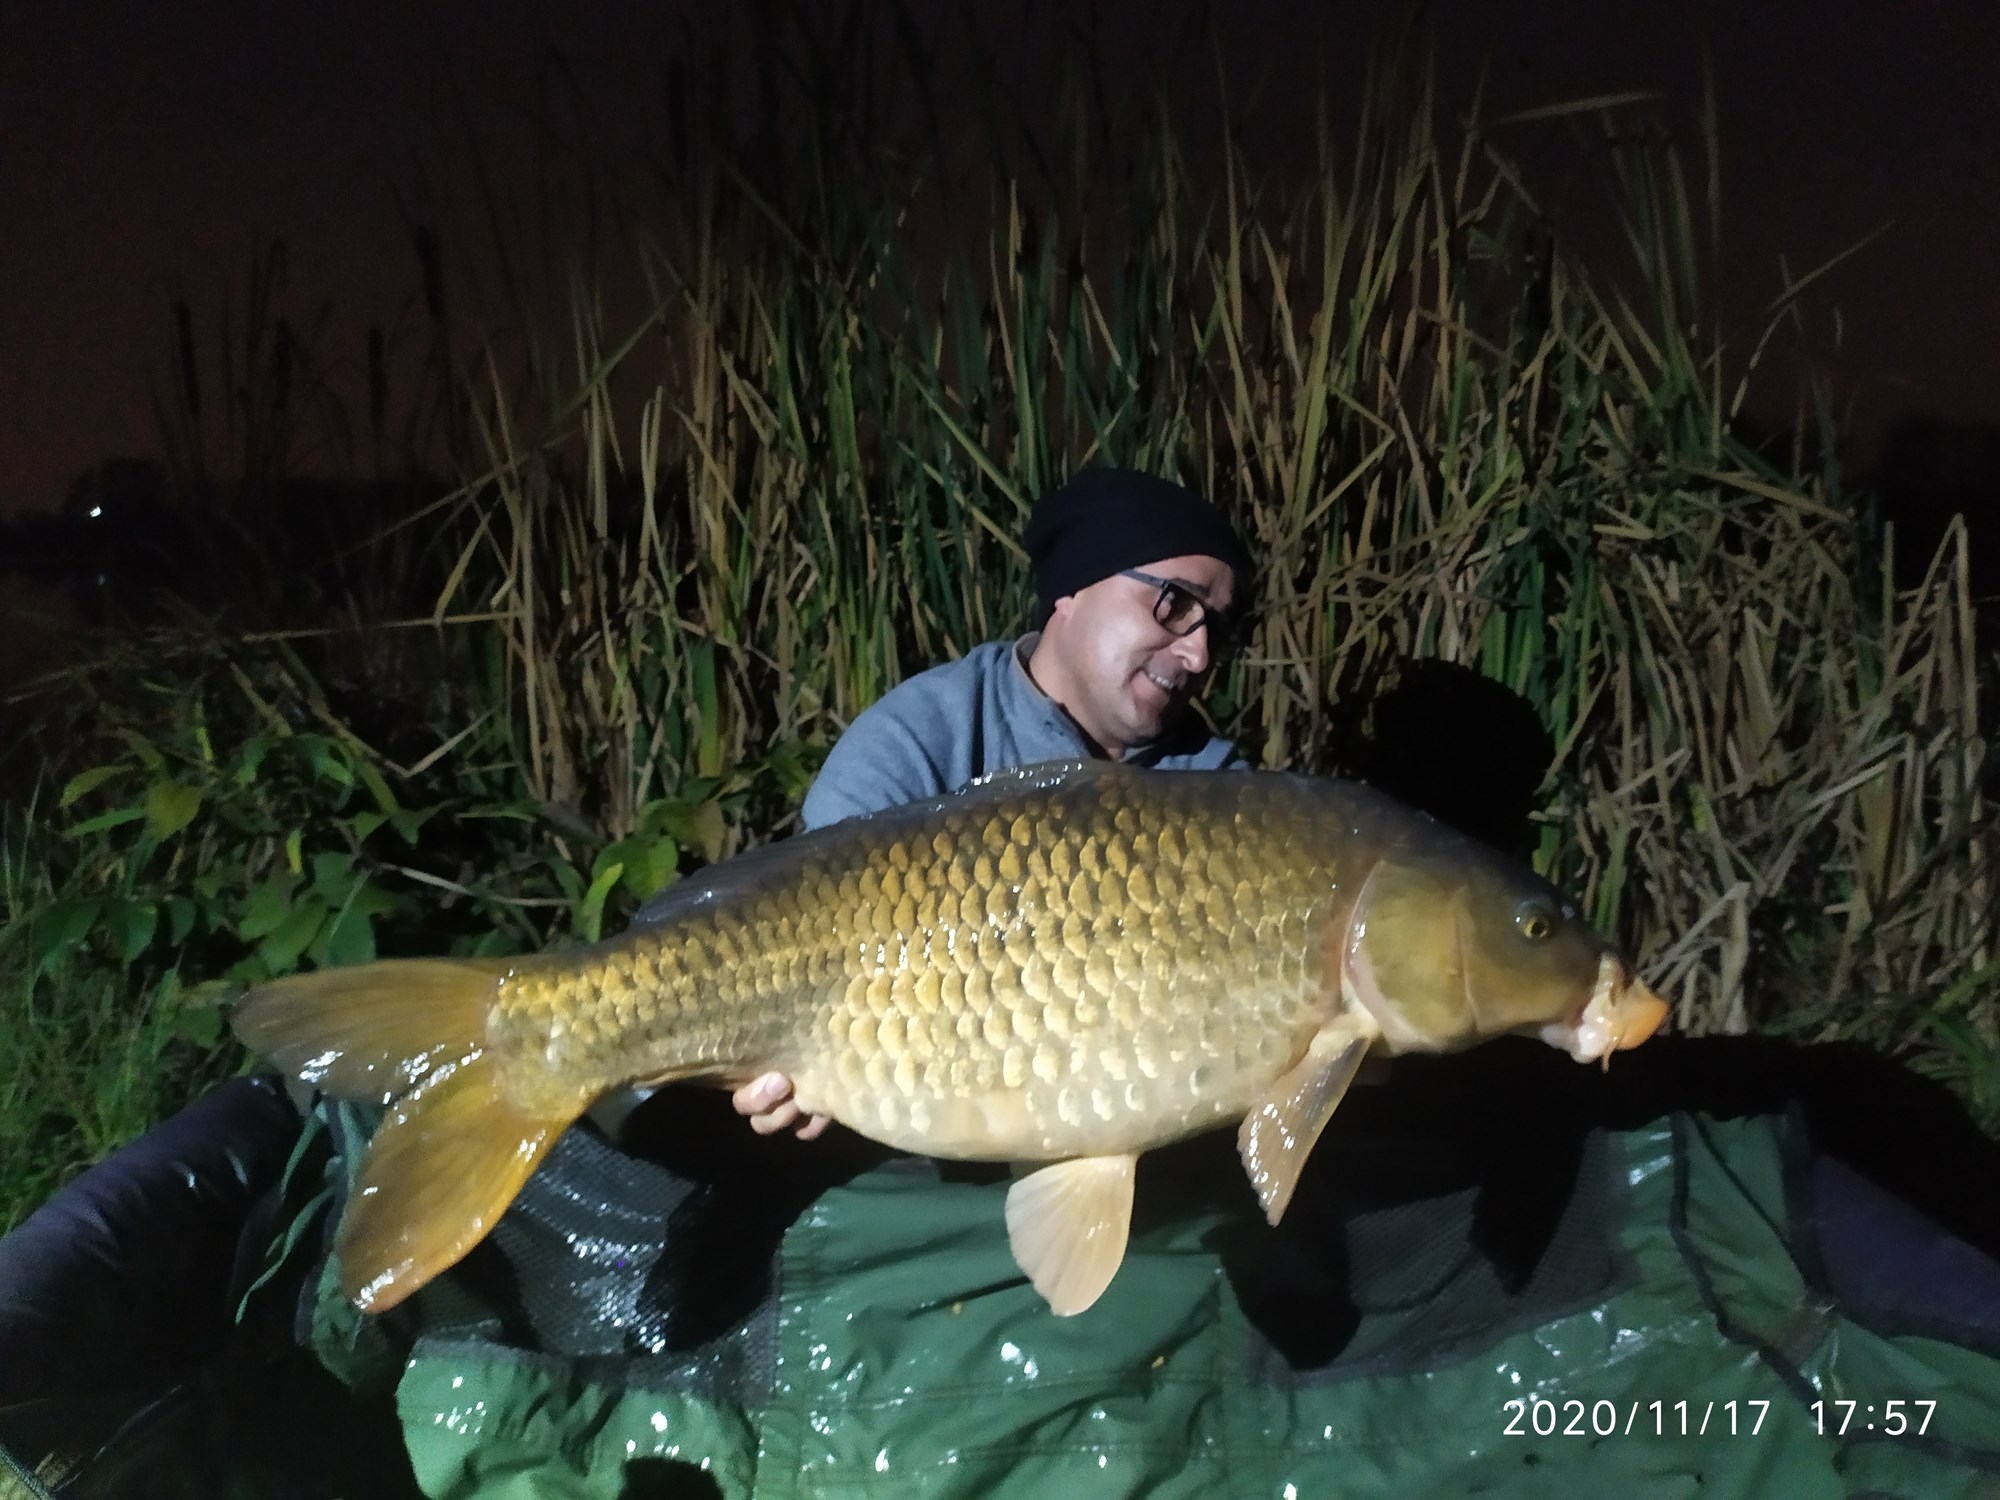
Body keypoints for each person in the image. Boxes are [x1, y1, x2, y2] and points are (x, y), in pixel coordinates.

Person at [725, 466, 1256, 1140]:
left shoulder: (1215, 789)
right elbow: (790, 949)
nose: (1200, 652)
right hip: (913, 1154)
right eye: (1176, 603)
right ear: (1073, 589)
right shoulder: (919, 738)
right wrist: (784, 1068)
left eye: (1217, 626)